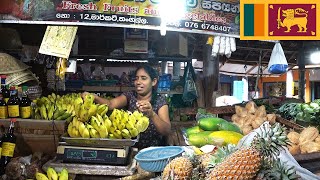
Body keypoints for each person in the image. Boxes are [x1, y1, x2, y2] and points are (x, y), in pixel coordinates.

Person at [82, 65, 171, 149]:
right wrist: (95, 97)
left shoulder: (160, 101)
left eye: (143, 78)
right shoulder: (130, 96)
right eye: (136, 79)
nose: (138, 82)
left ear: (154, 82)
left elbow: (166, 130)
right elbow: (110, 104)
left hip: (152, 151)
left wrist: (152, 114)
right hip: (130, 149)